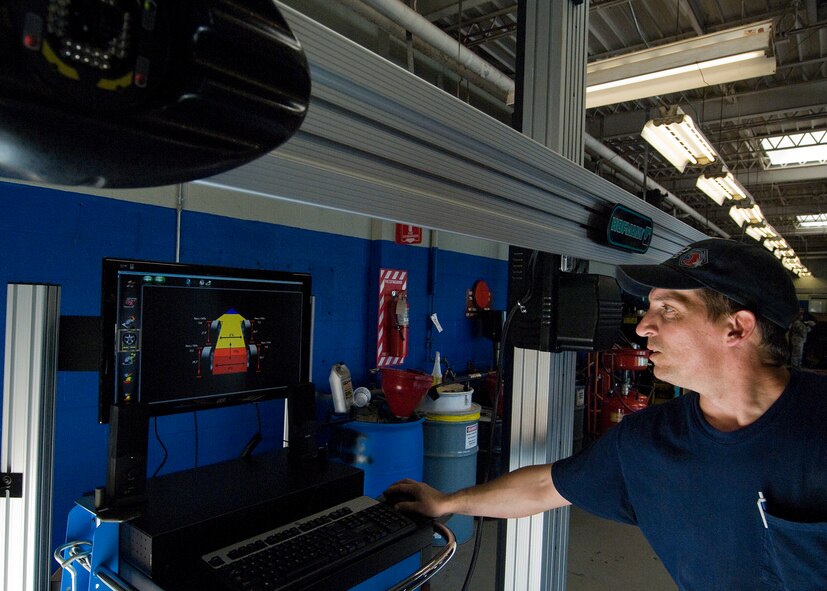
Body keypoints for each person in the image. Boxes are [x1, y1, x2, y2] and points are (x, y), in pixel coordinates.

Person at [386, 238, 827, 591]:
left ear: (737, 327)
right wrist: (449, 502)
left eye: (668, 310)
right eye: (649, 307)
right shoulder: (647, 441)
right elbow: (545, 486)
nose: (641, 327)